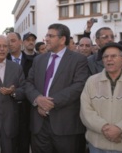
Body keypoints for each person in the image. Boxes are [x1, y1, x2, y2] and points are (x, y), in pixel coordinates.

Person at [25, 23, 89, 153]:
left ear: (62, 39)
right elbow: (28, 83)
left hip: (65, 127)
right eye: (46, 35)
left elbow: (79, 86)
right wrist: (38, 100)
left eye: (51, 36)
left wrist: (49, 103)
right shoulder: (39, 60)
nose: (46, 39)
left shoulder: (79, 60)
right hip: (39, 126)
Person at [80, 42, 122, 153]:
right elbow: (86, 111)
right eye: (105, 57)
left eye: (113, 56)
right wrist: (104, 128)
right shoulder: (91, 81)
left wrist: (120, 129)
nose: (109, 59)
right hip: (98, 146)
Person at [6, 32, 33, 153]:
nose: (9, 44)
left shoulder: (34, 61)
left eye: (12, 40)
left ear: (20, 42)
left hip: (28, 110)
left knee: (24, 145)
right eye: (7, 41)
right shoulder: (0, 61)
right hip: (7, 110)